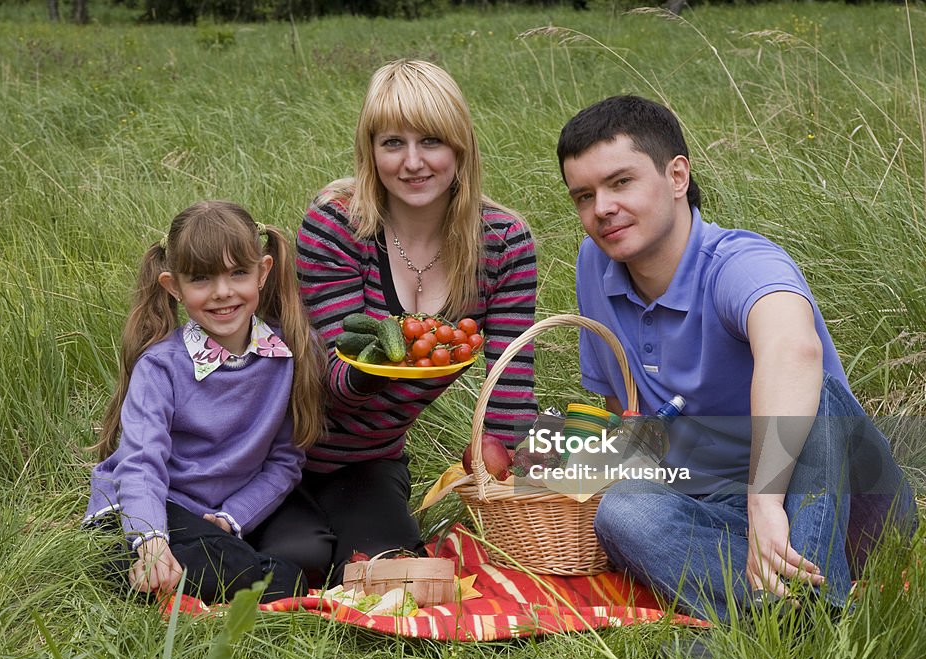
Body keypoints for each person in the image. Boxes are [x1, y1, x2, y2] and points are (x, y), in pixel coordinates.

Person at [558, 95, 917, 623]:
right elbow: (625, 404)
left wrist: (765, 500)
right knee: (624, 511)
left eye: (620, 183)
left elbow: (794, 350)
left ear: (677, 176)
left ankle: (807, 608)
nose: (601, 208)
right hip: (721, 514)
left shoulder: (740, 263)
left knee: (814, 392)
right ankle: (805, 614)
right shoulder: (595, 263)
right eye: (583, 196)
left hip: (842, 500)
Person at [248, 59, 538, 587]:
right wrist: (385, 358)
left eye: (431, 141)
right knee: (302, 563)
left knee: (391, 573)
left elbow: (510, 391)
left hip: (367, 458)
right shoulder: (336, 224)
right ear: (369, 151)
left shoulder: (503, 245)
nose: (412, 163)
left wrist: (528, 481)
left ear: (461, 147)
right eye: (391, 143)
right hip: (270, 448)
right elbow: (333, 384)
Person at [83, 200, 325, 604]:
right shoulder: (161, 366)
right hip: (157, 505)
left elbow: (285, 461)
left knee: (311, 552)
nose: (222, 293)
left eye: (238, 273)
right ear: (173, 286)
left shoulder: (289, 353)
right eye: (201, 279)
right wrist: (152, 540)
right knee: (243, 570)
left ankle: (213, 570)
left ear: (263, 272)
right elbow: (142, 463)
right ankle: (154, 562)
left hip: (224, 512)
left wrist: (234, 516)